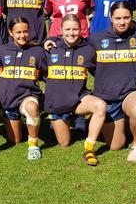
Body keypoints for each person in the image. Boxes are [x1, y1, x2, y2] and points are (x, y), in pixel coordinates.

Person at [87, 1, 136, 162]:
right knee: (116, 145)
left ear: (133, 16)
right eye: (118, 18)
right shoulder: (96, 38)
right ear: (110, 17)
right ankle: (131, 124)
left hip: (134, 90)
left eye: (126, 17)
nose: (122, 22)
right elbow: (82, 54)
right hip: (108, 95)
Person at [43, 14, 106, 166]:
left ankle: (89, 147)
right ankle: (68, 120)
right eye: (68, 29)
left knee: (100, 106)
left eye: (75, 29)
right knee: (64, 143)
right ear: (61, 29)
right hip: (57, 103)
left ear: (82, 29)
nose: (71, 33)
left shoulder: (89, 50)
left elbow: (101, 72)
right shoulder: (50, 47)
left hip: (78, 100)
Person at [0, 16, 47, 160]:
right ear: (10, 32)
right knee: (15, 140)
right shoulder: (2, 50)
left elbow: (47, 74)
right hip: (8, 101)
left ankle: (33, 144)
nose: (22, 35)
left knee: (32, 108)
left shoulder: (37, 51)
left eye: (25, 31)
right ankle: (18, 120)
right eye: (18, 32)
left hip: (27, 96)